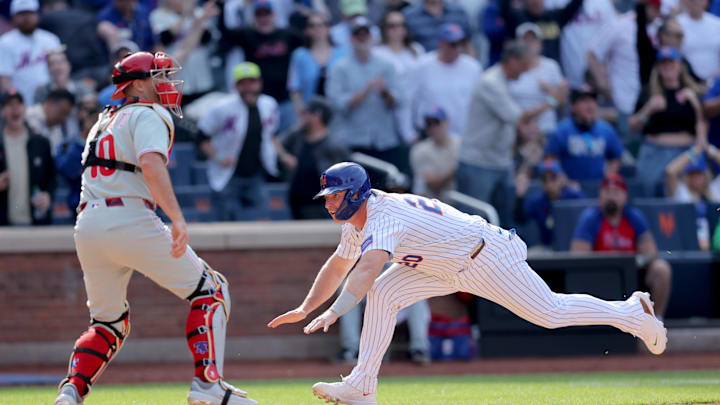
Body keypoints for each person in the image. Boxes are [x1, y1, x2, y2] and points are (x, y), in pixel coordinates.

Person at [268, 162, 667, 405]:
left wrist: (336, 312)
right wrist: (307, 307)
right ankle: (362, 385)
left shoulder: (382, 215)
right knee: (386, 292)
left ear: (355, 194)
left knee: (550, 313)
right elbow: (339, 266)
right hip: (443, 264)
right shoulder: (356, 223)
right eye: (328, 197)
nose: (329, 203)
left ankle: (632, 313)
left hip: (484, 255)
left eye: (335, 196)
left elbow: (368, 267)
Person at [53, 51, 258, 405]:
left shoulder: (103, 120)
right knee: (211, 290)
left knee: (108, 321)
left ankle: (71, 391)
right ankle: (208, 387)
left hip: (88, 223)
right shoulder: (150, 113)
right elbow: (150, 164)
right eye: (158, 76)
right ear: (137, 84)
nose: (166, 82)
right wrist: (177, 218)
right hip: (129, 217)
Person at [457, 41, 553, 225]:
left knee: (503, 222)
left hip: (500, 162)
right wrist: (551, 102)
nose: (525, 71)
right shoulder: (491, 82)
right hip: (478, 163)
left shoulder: (504, 82)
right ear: (512, 61)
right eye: (524, 65)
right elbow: (518, 118)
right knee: (473, 224)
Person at [571, 173, 672, 320]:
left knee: (661, 268)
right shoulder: (590, 218)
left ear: (625, 196)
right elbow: (578, 255)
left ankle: (656, 320)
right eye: (607, 192)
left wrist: (636, 262)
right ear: (600, 195)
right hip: (599, 276)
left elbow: (651, 251)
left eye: (616, 192)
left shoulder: (634, 216)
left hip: (632, 275)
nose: (612, 196)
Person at [198, 62, 279, 221]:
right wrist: (220, 157)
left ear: (260, 83)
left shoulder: (269, 105)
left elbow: (271, 135)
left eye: (252, 82)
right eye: (243, 83)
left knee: (263, 219)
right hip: (228, 174)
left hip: (256, 173)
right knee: (225, 222)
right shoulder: (222, 108)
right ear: (236, 86)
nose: (248, 87)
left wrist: (283, 156)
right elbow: (201, 138)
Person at [325, 16, 407, 174]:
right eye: (358, 35)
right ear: (351, 39)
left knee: (383, 193)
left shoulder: (387, 65)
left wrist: (385, 92)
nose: (362, 38)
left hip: (383, 141)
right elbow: (336, 104)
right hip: (352, 141)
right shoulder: (339, 68)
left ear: (372, 37)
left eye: (366, 34)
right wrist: (364, 92)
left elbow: (401, 100)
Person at [630, 46, 704, 197]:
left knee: (687, 197)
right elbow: (632, 126)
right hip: (654, 153)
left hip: (685, 152)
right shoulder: (648, 91)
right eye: (663, 63)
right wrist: (648, 109)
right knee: (650, 198)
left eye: (671, 62)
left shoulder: (692, 92)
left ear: (680, 66)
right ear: (658, 68)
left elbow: (703, 125)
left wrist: (695, 104)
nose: (667, 66)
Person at [219, 0, 303, 133]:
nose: (264, 18)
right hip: (258, 100)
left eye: (267, 14)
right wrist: (222, 7)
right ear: (254, 17)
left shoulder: (287, 34)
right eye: (259, 15)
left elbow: (309, 40)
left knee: (289, 139)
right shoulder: (247, 34)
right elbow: (226, 34)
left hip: (285, 99)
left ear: (274, 15)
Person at [276, 96, 349, 219]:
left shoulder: (334, 146)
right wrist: (285, 156)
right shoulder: (297, 135)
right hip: (296, 203)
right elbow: (274, 142)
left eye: (306, 113)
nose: (302, 116)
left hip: (322, 208)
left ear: (317, 116)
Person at [407, 23, 480, 138]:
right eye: (453, 44)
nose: (458, 48)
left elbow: (477, 103)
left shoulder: (473, 67)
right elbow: (410, 100)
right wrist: (409, 133)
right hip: (429, 135)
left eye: (461, 44)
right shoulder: (422, 65)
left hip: (462, 136)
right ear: (440, 44)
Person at [509, 22, 567, 165]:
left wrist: (550, 92)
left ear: (540, 44)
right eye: (525, 40)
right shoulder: (511, 68)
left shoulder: (551, 66)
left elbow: (561, 100)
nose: (529, 44)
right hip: (519, 132)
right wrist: (547, 104)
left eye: (533, 40)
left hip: (546, 131)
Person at [544, 86, 623, 183]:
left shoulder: (606, 130)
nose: (590, 106)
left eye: (593, 101)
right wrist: (565, 182)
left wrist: (607, 179)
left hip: (598, 189)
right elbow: (551, 159)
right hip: (569, 190)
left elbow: (616, 158)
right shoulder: (562, 130)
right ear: (573, 106)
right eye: (584, 101)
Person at [0, 90, 55, 227]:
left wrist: (48, 196)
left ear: (25, 109)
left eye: (19, 104)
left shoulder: (41, 142)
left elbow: (53, 177)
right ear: (2, 111)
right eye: (10, 104)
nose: (15, 108)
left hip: (36, 222)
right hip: (3, 225)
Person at [150, 0, 219, 105]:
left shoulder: (200, 13)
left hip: (201, 76)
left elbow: (207, 38)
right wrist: (185, 15)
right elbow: (165, 38)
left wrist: (196, 17)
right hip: (177, 79)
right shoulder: (158, 15)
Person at [374, 10, 425, 144]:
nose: (397, 30)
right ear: (384, 29)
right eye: (392, 26)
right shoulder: (377, 53)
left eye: (401, 25)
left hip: (417, 108)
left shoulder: (417, 50)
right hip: (389, 109)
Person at [0, 0, 62, 106]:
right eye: (21, 14)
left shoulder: (50, 39)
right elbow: (5, 80)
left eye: (30, 13)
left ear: (37, 14)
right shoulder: (4, 42)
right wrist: (16, 105)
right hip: (22, 105)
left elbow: (61, 73)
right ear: (13, 17)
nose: (26, 18)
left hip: (51, 103)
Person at [287, 12, 348, 119]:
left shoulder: (342, 53)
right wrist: (302, 114)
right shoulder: (299, 55)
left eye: (321, 25)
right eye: (312, 25)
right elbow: (294, 88)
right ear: (307, 30)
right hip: (310, 114)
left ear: (328, 28)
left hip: (339, 114)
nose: (317, 28)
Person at [514, 159, 584, 248]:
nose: (549, 183)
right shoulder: (538, 200)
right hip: (547, 248)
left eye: (553, 178)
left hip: (571, 247)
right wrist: (520, 195)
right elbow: (520, 219)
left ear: (561, 178)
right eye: (544, 179)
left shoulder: (573, 195)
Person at [665, 142, 720, 251]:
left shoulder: (715, 189)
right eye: (692, 175)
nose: (696, 178)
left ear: (706, 174)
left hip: (716, 239)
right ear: (687, 177)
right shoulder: (681, 192)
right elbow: (670, 171)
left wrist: (711, 151)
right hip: (688, 241)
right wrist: (693, 152)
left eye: (699, 174)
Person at [498, 0, 585, 64]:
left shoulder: (556, 16)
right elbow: (504, 7)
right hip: (526, 69)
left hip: (554, 71)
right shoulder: (518, 18)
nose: (535, 2)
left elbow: (574, 5)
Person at [55, 96, 100, 218]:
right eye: (87, 110)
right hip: (73, 211)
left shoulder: (110, 144)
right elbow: (67, 170)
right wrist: (84, 138)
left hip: (102, 210)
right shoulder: (66, 146)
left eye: (95, 110)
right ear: (78, 113)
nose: (91, 115)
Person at [409, 106, 458, 199]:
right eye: (429, 123)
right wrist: (457, 169)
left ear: (447, 122)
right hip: (432, 206)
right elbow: (433, 186)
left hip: (460, 203)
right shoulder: (420, 150)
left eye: (436, 122)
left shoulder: (460, 144)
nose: (433, 127)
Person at [676, 0, 720, 82]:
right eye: (692, 0)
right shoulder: (676, 24)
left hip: (716, 82)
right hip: (687, 83)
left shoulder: (717, 24)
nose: (695, 2)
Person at [402, 0, 471, 52]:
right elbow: (403, 44)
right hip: (423, 65)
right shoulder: (409, 15)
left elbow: (469, 42)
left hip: (455, 64)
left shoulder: (458, 11)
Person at [25, 88, 76, 155]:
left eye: (66, 115)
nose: (63, 119)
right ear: (50, 103)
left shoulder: (58, 130)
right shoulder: (27, 117)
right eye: (62, 112)